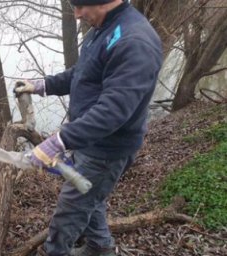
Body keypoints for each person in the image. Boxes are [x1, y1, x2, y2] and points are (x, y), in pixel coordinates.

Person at [14, 0, 163, 255]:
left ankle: (56, 251)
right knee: (90, 198)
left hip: (106, 150)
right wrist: (43, 86)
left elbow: (113, 111)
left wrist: (58, 142)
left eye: (81, 6)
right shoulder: (103, 28)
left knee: (70, 210)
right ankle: (99, 247)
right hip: (88, 142)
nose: (77, 14)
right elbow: (82, 73)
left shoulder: (134, 41)